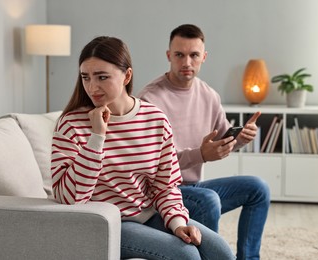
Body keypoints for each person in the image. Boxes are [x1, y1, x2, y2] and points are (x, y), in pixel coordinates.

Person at [51, 36, 235, 260]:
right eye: (85, 77)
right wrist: (96, 137)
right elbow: (69, 197)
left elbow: (165, 186)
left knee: (221, 252)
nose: (91, 87)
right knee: (185, 255)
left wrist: (177, 223)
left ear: (126, 76)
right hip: (106, 223)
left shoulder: (155, 119)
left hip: (148, 214)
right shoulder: (71, 123)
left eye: (102, 77)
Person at [137, 24, 270, 260]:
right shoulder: (149, 99)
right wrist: (200, 154)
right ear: (169, 56)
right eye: (179, 55)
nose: (186, 62)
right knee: (209, 199)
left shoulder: (209, 94)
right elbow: (152, 165)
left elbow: (219, 141)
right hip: (161, 194)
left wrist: (239, 139)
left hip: (194, 187)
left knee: (258, 188)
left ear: (203, 57)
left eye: (194, 55)